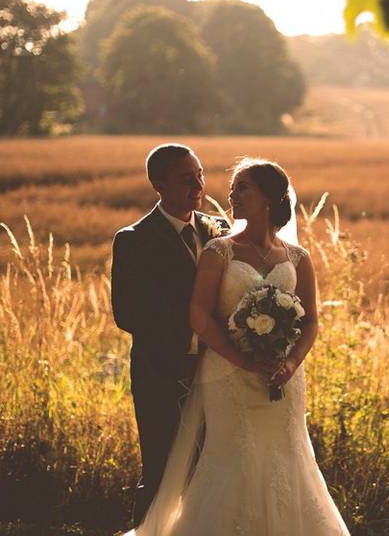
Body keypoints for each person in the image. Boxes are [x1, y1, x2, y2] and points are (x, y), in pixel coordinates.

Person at [131, 157, 349, 536]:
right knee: (232, 460)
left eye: (243, 187)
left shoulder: (298, 258)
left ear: (269, 197)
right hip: (228, 375)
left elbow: (311, 320)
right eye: (233, 188)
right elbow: (199, 316)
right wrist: (244, 361)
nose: (232, 194)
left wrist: (291, 364)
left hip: (282, 378)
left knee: (286, 460)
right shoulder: (219, 251)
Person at [111, 143, 229, 525]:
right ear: (157, 184)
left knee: (211, 473)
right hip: (161, 374)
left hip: (217, 372)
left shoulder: (219, 229)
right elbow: (127, 313)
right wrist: (191, 335)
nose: (198, 186)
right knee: (160, 474)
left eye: (200, 175)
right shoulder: (133, 239)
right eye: (185, 179)